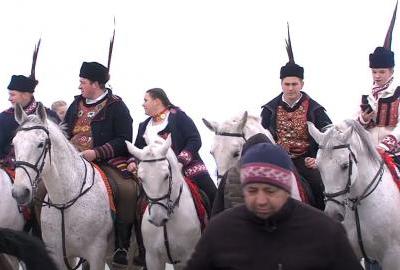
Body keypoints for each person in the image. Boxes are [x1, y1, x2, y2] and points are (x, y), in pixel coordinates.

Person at [184, 142, 363, 270]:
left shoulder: (326, 231)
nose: (261, 200)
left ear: (286, 188)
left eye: (270, 191)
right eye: (252, 190)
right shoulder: (220, 231)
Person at [62, 31, 138, 267]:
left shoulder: (117, 106)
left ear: (96, 83)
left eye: (83, 82)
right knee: (41, 188)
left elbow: (125, 139)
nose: (79, 85)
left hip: (105, 162)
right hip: (73, 161)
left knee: (127, 190)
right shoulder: (76, 103)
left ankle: (121, 246)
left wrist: (96, 153)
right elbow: (66, 131)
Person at [129, 88, 217, 265]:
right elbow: (137, 148)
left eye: (146, 100)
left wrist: (181, 160)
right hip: (156, 173)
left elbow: (194, 139)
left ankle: (216, 242)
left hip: (187, 166)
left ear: (157, 101)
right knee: (135, 203)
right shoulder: (143, 125)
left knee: (213, 195)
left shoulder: (179, 116)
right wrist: (132, 161)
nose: (143, 104)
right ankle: (141, 247)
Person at [260, 24, 331, 210]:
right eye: (287, 84)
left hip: (305, 161)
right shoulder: (269, 109)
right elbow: (261, 136)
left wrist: (318, 159)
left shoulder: (316, 110)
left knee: (319, 186)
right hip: (275, 159)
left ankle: (323, 224)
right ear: (281, 84)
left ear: (302, 84)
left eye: (294, 84)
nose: (290, 88)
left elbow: (330, 137)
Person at [357, 4, 398, 270]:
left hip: (395, 150)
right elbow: (357, 123)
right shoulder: (367, 95)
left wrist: (387, 144)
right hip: (371, 150)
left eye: (381, 72)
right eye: (374, 72)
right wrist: (364, 118)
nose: (377, 76)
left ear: (391, 71)